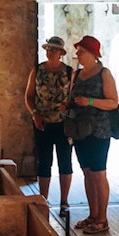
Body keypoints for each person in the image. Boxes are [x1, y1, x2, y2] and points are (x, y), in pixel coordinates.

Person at [65, 35, 118, 234]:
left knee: (98, 174)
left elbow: (113, 102)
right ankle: (92, 214)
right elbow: (72, 98)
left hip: (99, 131)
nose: (78, 54)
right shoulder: (77, 74)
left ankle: (103, 218)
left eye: (82, 51)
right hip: (80, 130)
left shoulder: (104, 74)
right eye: (78, 51)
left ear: (93, 54)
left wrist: (90, 102)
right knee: (87, 172)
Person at [25, 36, 74, 216]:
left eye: (54, 49)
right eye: (48, 49)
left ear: (61, 53)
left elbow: (74, 96)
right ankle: (43, 200)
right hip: (43, 123)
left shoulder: (69, 72)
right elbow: (29, 96)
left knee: (65, 161)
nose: (50, 52)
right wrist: (35, 114)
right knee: (44, 162)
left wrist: (68, 106)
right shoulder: (37, 70)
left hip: (63, 123)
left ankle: (64, 201)